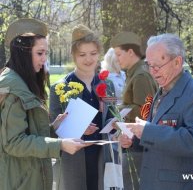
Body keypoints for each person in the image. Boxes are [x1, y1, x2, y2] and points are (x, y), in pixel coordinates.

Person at [0, 18, 88, 190]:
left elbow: (29, 131)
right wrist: (60, 145)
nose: (44, 60)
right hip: (18, 181)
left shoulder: (22, 81)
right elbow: (13, 142)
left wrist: (56, 128)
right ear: (23, 53)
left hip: (29, 178)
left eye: (46, 53)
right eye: (40, 53)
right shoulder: (12, 88)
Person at [121, 33, 193, 190]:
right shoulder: (163, 90)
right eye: (149, 65)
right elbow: (158, 136)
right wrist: (134, 139)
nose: (153, 72)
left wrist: (147, 131)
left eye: (157, 66)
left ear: (177, 62)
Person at [49, 24, 114, 190]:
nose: (88, 59)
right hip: (74, 161)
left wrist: (116, 125)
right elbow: (53, 129)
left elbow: (113, 122)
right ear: (73, 56)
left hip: (103, 158)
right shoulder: (60, 87)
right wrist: (77, 127)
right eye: (82, 55)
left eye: (93, 53)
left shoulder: (107, 84)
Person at [110, 31, 158, 190]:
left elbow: (145, 111)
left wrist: (119, 111)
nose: (117, 59)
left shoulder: (140, 76)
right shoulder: (135, 73)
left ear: (131, 52)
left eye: (119, 54)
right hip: (133, 139)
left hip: (138, 143)